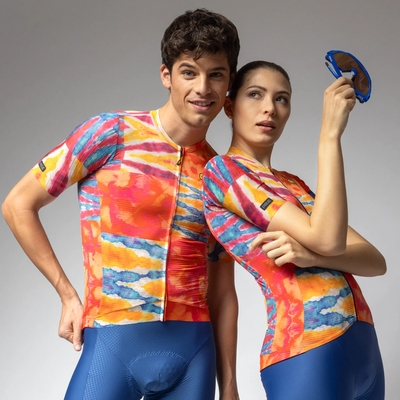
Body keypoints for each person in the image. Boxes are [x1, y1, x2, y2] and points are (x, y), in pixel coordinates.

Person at [2, 9, 241, 400]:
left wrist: (228, 385)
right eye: (189, 72)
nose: (203, 87)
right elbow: (18, 205)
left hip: (194, 352)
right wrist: (67, 295)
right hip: (112, 338)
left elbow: (223, 292)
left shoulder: (219, 175)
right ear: (166, 75)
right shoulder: (112, 133)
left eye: (216, 74)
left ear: (229, 82)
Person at [202, 60, 386, 399]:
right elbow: (328, 239)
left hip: (364, 350)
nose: (269, 108)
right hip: (305, 351)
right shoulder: (223, 172)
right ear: (229, 106)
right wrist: (329, 135)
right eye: (255, 94)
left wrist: (312, 256)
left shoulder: (293, 184)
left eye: (281, 99)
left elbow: (375, 261)